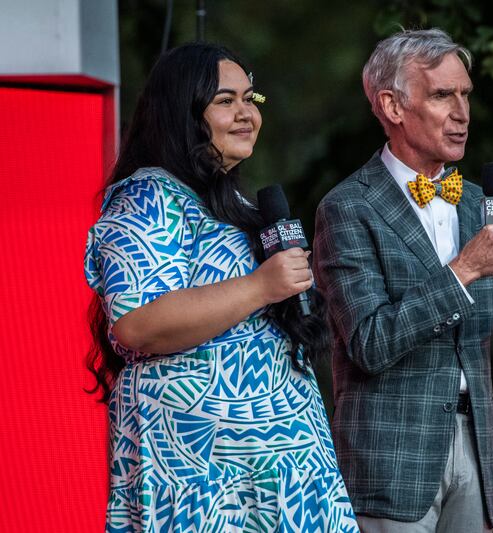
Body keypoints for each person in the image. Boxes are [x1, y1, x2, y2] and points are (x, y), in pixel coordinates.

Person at [312, 28, 493, 531]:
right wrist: (463, 270)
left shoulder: (480, 203)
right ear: (392, 106)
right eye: (443, 95)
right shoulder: (347, 208)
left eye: (466, 94)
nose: (462, 112)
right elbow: (369, 343)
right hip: (391, 463)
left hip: (477, 452)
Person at [84, 43, 356, 531]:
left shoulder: (224, 199)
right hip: (204, 468)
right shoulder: (149, 195)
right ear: (183, 113)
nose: (246, 113)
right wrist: (261, 286)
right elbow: (137, 324)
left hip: (276, 467)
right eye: (225, 100)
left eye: (251, 99)